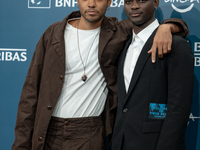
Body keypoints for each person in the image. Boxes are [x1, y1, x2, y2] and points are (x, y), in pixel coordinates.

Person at [11, 0, 189, 149]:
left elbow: (148, 26)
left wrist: (168, 27)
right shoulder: (53, 33)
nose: (92, 4)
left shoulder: (119, 31)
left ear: (110, 2)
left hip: (90, 133)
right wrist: (21, 144)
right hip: (48, 129)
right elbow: (30, 93)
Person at [111, 0, 194, 149]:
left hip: (155, 144)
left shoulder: (176, 45)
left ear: (155, 3)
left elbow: (178, 109)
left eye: (141, 0)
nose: (134, 6)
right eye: (128, 1)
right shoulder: (123, 45)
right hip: (121, 142)